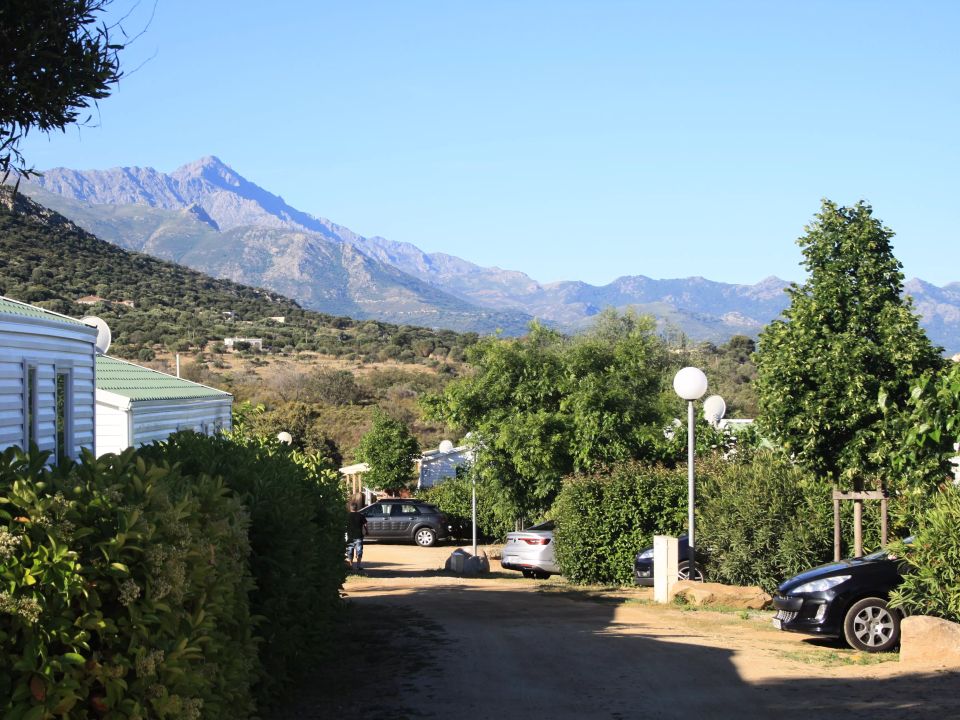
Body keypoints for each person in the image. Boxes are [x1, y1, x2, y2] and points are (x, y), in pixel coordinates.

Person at [346, 502, 367, 572]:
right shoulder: (361, 515)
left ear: (350, 508)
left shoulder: (347, 516)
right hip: (359, 536)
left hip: (350, 536)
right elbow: (365, 525)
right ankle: (358, 565)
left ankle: (351, 565)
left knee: (350, 551)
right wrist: (367, 531)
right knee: (359, 551)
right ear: (357, 508)